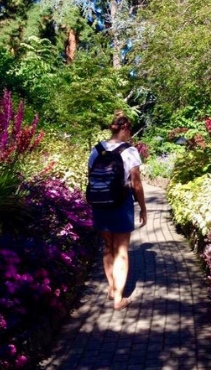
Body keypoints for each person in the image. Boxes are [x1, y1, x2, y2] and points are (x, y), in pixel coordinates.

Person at [87, 113, 147, 310]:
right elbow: (136, 183)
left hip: (100, 204)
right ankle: (118, 298)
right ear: (124, 128)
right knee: (121, 250)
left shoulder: (96, 150)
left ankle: (112, 288)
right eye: (130, 130)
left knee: (107, 246)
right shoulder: (129, 151)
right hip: (121, 204)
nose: (130, 134)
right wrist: (143, 208)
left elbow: (91, 178)